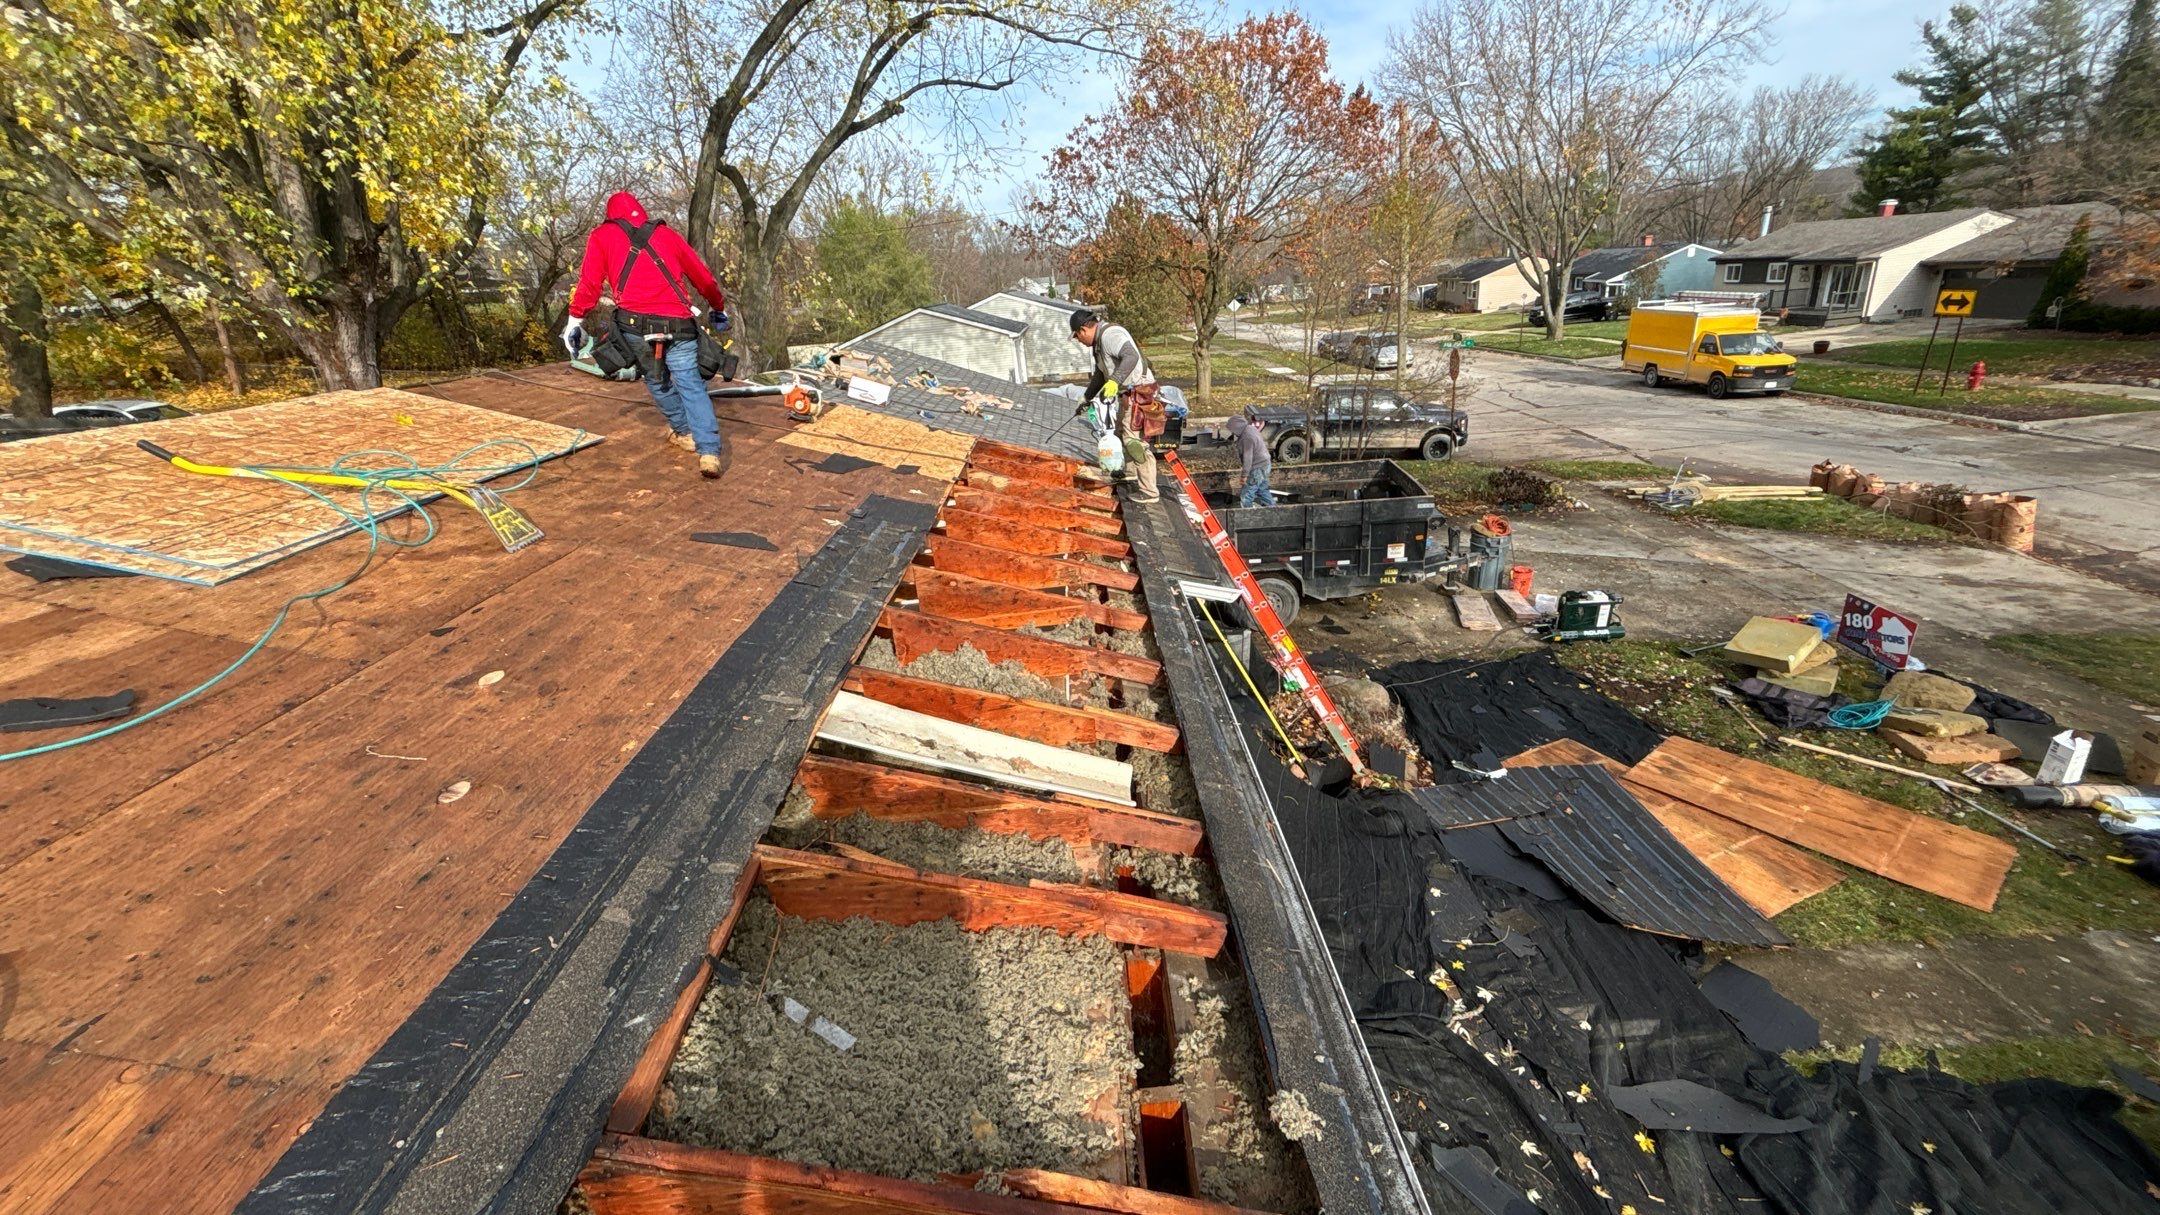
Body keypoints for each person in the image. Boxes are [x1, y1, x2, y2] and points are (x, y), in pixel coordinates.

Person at [563, 192, 730, 478]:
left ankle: (683, 432)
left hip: (635, 325)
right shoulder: (666, 235)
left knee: (655, 377)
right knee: (690, 383)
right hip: (678, 324)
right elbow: (703, 277)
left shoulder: (602, 236)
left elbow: (589, 284)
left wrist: (574, 320)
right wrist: (718, 307)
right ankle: (709, 453)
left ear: (611, 215)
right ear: (640, 211)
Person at [1069, 309, 1162, 502]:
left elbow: (1130, 356)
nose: (1079, 341)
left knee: (1133, 442)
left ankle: (1149, 491)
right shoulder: (1098, 346)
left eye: (1077, 336)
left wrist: (1114, 381)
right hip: (1128, 394)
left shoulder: (1110, 335)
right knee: (1121, 433)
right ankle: (1129, 471)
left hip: (1140, 392)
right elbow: (1099, 375)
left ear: (1083, 330)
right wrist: (1086, 398)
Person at [1225, 409, 1276, 507]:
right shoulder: (1250, 428)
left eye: (1232, 430)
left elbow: (1248, 457)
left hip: (1257, 467)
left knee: (1247, 494)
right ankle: (1273, 508)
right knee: (1262, 489)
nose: (1232, 432)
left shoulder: (1246, 437)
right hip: (1265, 463)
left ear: (1237, 428)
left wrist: (1244, 475)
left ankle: (1246, 515)